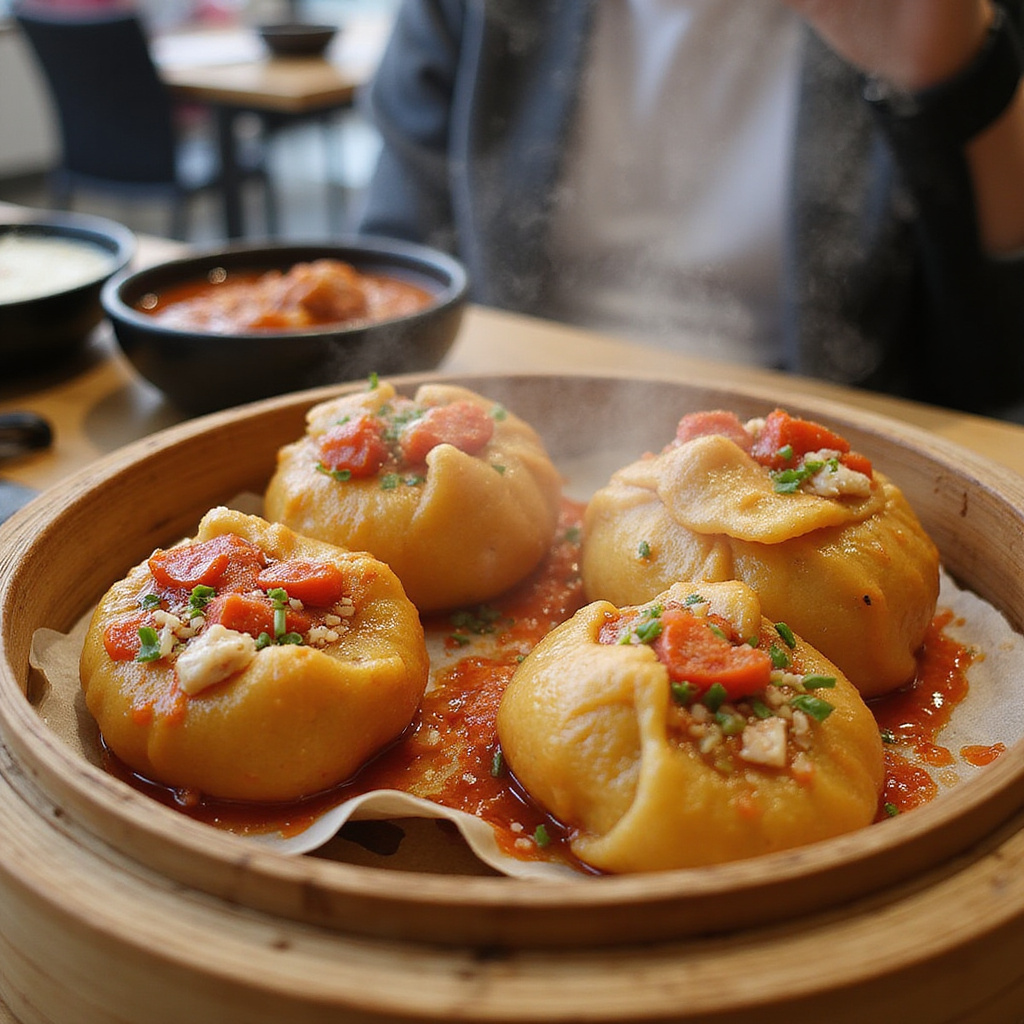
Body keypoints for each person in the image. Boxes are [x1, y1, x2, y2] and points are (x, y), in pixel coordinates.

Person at [356, 0, 1024, 417]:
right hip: (521, 425)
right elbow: (392, 289)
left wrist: (950, 79)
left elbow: (994, 376)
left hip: (816, 444)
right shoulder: (468, 13)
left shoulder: (946, 17)